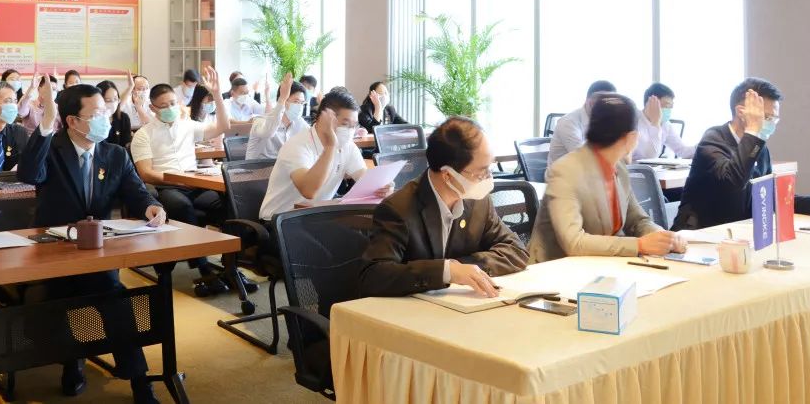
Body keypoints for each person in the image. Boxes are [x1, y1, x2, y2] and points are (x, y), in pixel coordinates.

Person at [19, 80, 165, 402]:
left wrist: (151, 206)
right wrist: (46, 124)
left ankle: (139, 380)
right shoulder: (51, 148)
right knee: (55, 301)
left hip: (97, 251)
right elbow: (28, 174)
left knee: (115, 298)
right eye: (97, 113)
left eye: (106, 110)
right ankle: (72, 361)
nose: (106, 118)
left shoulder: (114, 154)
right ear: (72, 121)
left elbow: (136, 193)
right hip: (53, 253)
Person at [358, 116, 528, 297]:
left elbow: (515, 250)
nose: (488, 178)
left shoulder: (478, 201)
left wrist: (461, 269)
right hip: (412, 309)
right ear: (448, 175)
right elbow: (374, 276)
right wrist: (446, 272)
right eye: (481, 173)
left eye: (490, 169)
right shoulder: (399, 209)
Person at [529, 93, 687, 263]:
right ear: (632, 138)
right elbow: (574, 243)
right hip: (556, 268)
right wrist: (639, 245)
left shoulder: (618, 167)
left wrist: (663, 237)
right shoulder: (565, 170)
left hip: (604, 264)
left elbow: (637, 220)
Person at [673, 79, 810, 231]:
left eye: (774, 119)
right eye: (766, 117)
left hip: (738, 232)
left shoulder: (759, 147)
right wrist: (753, 130)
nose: (770, 124)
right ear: (741, 112)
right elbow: (733, 182)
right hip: (700, 234)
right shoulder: (713, 140)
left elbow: (768, 196)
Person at [130, 69, 231, 294]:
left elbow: (223, 127)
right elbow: (146, 173)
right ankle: (203, 268)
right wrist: (178, 181)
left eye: (173, 103)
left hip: (194, 184)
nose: (170, 108)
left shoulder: (188, 126)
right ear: (153, 108)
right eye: (164, 105)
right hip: (166, 186)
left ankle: (231, 266)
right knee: (182, 206)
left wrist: (217, 95)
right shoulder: (144, 135)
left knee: (226, 202)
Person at [259, 88, 389, 220]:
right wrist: (330, 147)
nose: (349, 131)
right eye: (345, 124)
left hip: (316, 217)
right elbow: (308, 191)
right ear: (324, 119)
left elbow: (364, 179)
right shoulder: (297, 145)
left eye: (353, 126)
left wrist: (381, 187)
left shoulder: (348, 146)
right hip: (280, 220)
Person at [547, 80, 617, 166]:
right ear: (589, 101)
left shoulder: (603, 120)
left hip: (588, 171)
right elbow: (584, 158)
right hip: (564, 173)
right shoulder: (568, 123)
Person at [245, 73, 309, 160]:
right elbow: (268, 132)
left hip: (282, 168)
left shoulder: (299, 123)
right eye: (296, 102)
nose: (300, 106)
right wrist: (282, 99)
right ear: (284, 101)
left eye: (302, 103)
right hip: (258, 168)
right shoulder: (260, 121)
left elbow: (313, 138)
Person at [631, 83, 696, 161]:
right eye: (667, 106)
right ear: (651, 102)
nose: (669, 110)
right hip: (632, 167)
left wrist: (703, 145)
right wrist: (655, 123)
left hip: (651, 168)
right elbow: (649, 156)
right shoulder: (632, 120)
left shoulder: (666, 125)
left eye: (671, 107)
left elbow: (682, 151)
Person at [96, 79, 133, 149]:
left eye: (115, 99)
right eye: (108, 100)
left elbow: (126, 143)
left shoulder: (123, 117)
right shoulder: (94, 120)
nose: (112, 103)